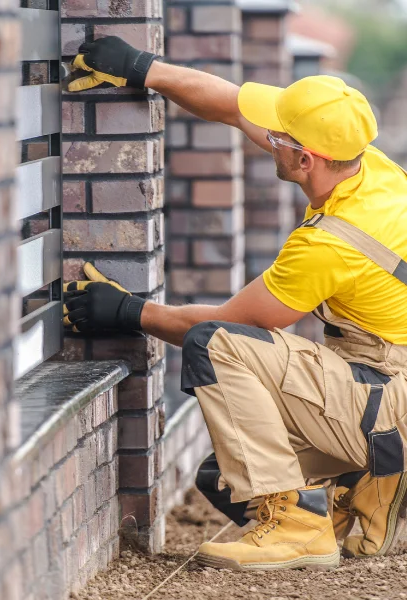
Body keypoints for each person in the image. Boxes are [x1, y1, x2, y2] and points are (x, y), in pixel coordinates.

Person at [64, 37, 407, 571]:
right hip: (380, 386)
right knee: (224, 476)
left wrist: (129, 312)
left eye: (277, 137)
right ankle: (366, 479)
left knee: (214, 345)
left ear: (303, 158)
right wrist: (142, 69)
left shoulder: (331, 243)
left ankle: (299, 526)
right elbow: (229, 103)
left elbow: (230, 328)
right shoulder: (364, 164)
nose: (264, 137)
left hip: (388, 400)